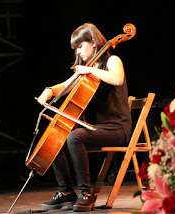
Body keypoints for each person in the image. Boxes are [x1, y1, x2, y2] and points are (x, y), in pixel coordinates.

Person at [37, 23, 131, 212]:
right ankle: (66, 192)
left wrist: (90, 70)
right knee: (56, 133)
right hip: (95, 129)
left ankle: (86, 194)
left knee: (74, 136)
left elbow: (117, 78)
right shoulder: (86, 69)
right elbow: (64, 86)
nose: (78, 52)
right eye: (76, 48)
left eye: (80, 46)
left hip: (116, 129)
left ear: (93, 43)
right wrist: (48, 91)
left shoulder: (112, 61)